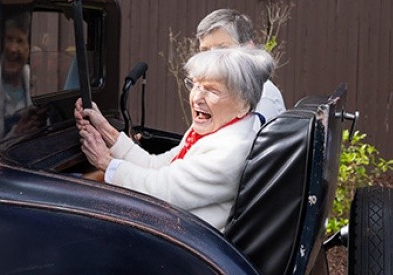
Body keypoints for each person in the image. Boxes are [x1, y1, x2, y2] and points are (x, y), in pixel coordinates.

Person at [76, 46, 274, 231]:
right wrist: (105, 130)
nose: (197, 97)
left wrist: (104, 161)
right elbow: (158, 166)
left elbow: (161, 191)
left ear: (243, 105)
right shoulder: (216, 129)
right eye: (195, 85)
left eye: (212, 90)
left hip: (189, 245)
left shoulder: (231, 149)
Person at [195, 8, 285, 122]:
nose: (211, 58)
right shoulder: (212, 90)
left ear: (248, 48)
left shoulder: (261, 95)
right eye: (205, 50)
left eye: (223, 49)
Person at [1, 13, 33, 133]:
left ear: (27, 49)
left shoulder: (32, 80)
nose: (13, 48)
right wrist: (16, 134)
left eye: (20, 41)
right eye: (9, 39)